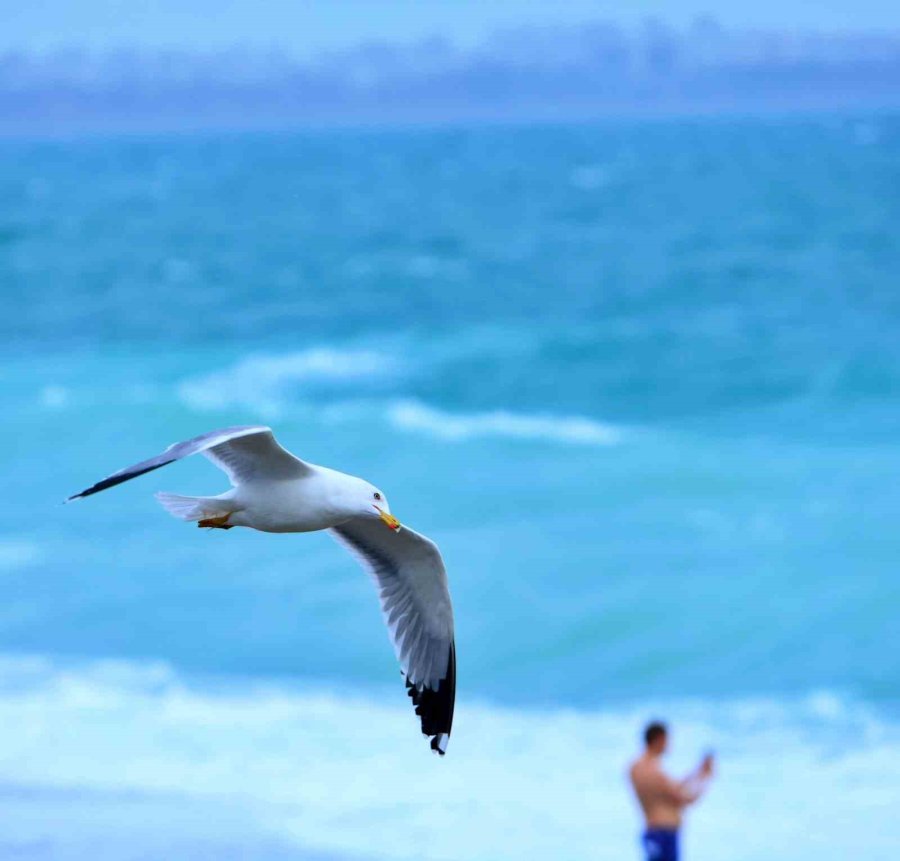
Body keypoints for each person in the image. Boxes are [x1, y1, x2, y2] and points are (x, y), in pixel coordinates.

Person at [627, 721, 714, 861]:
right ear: (659, 739)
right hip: (665, 834)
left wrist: (697, 772)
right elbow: (687, 799)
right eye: (667, 740)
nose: (668, 745)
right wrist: (706, 778)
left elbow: (669, 789)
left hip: (651, 831)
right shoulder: (654, 772)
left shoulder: (635, 768)